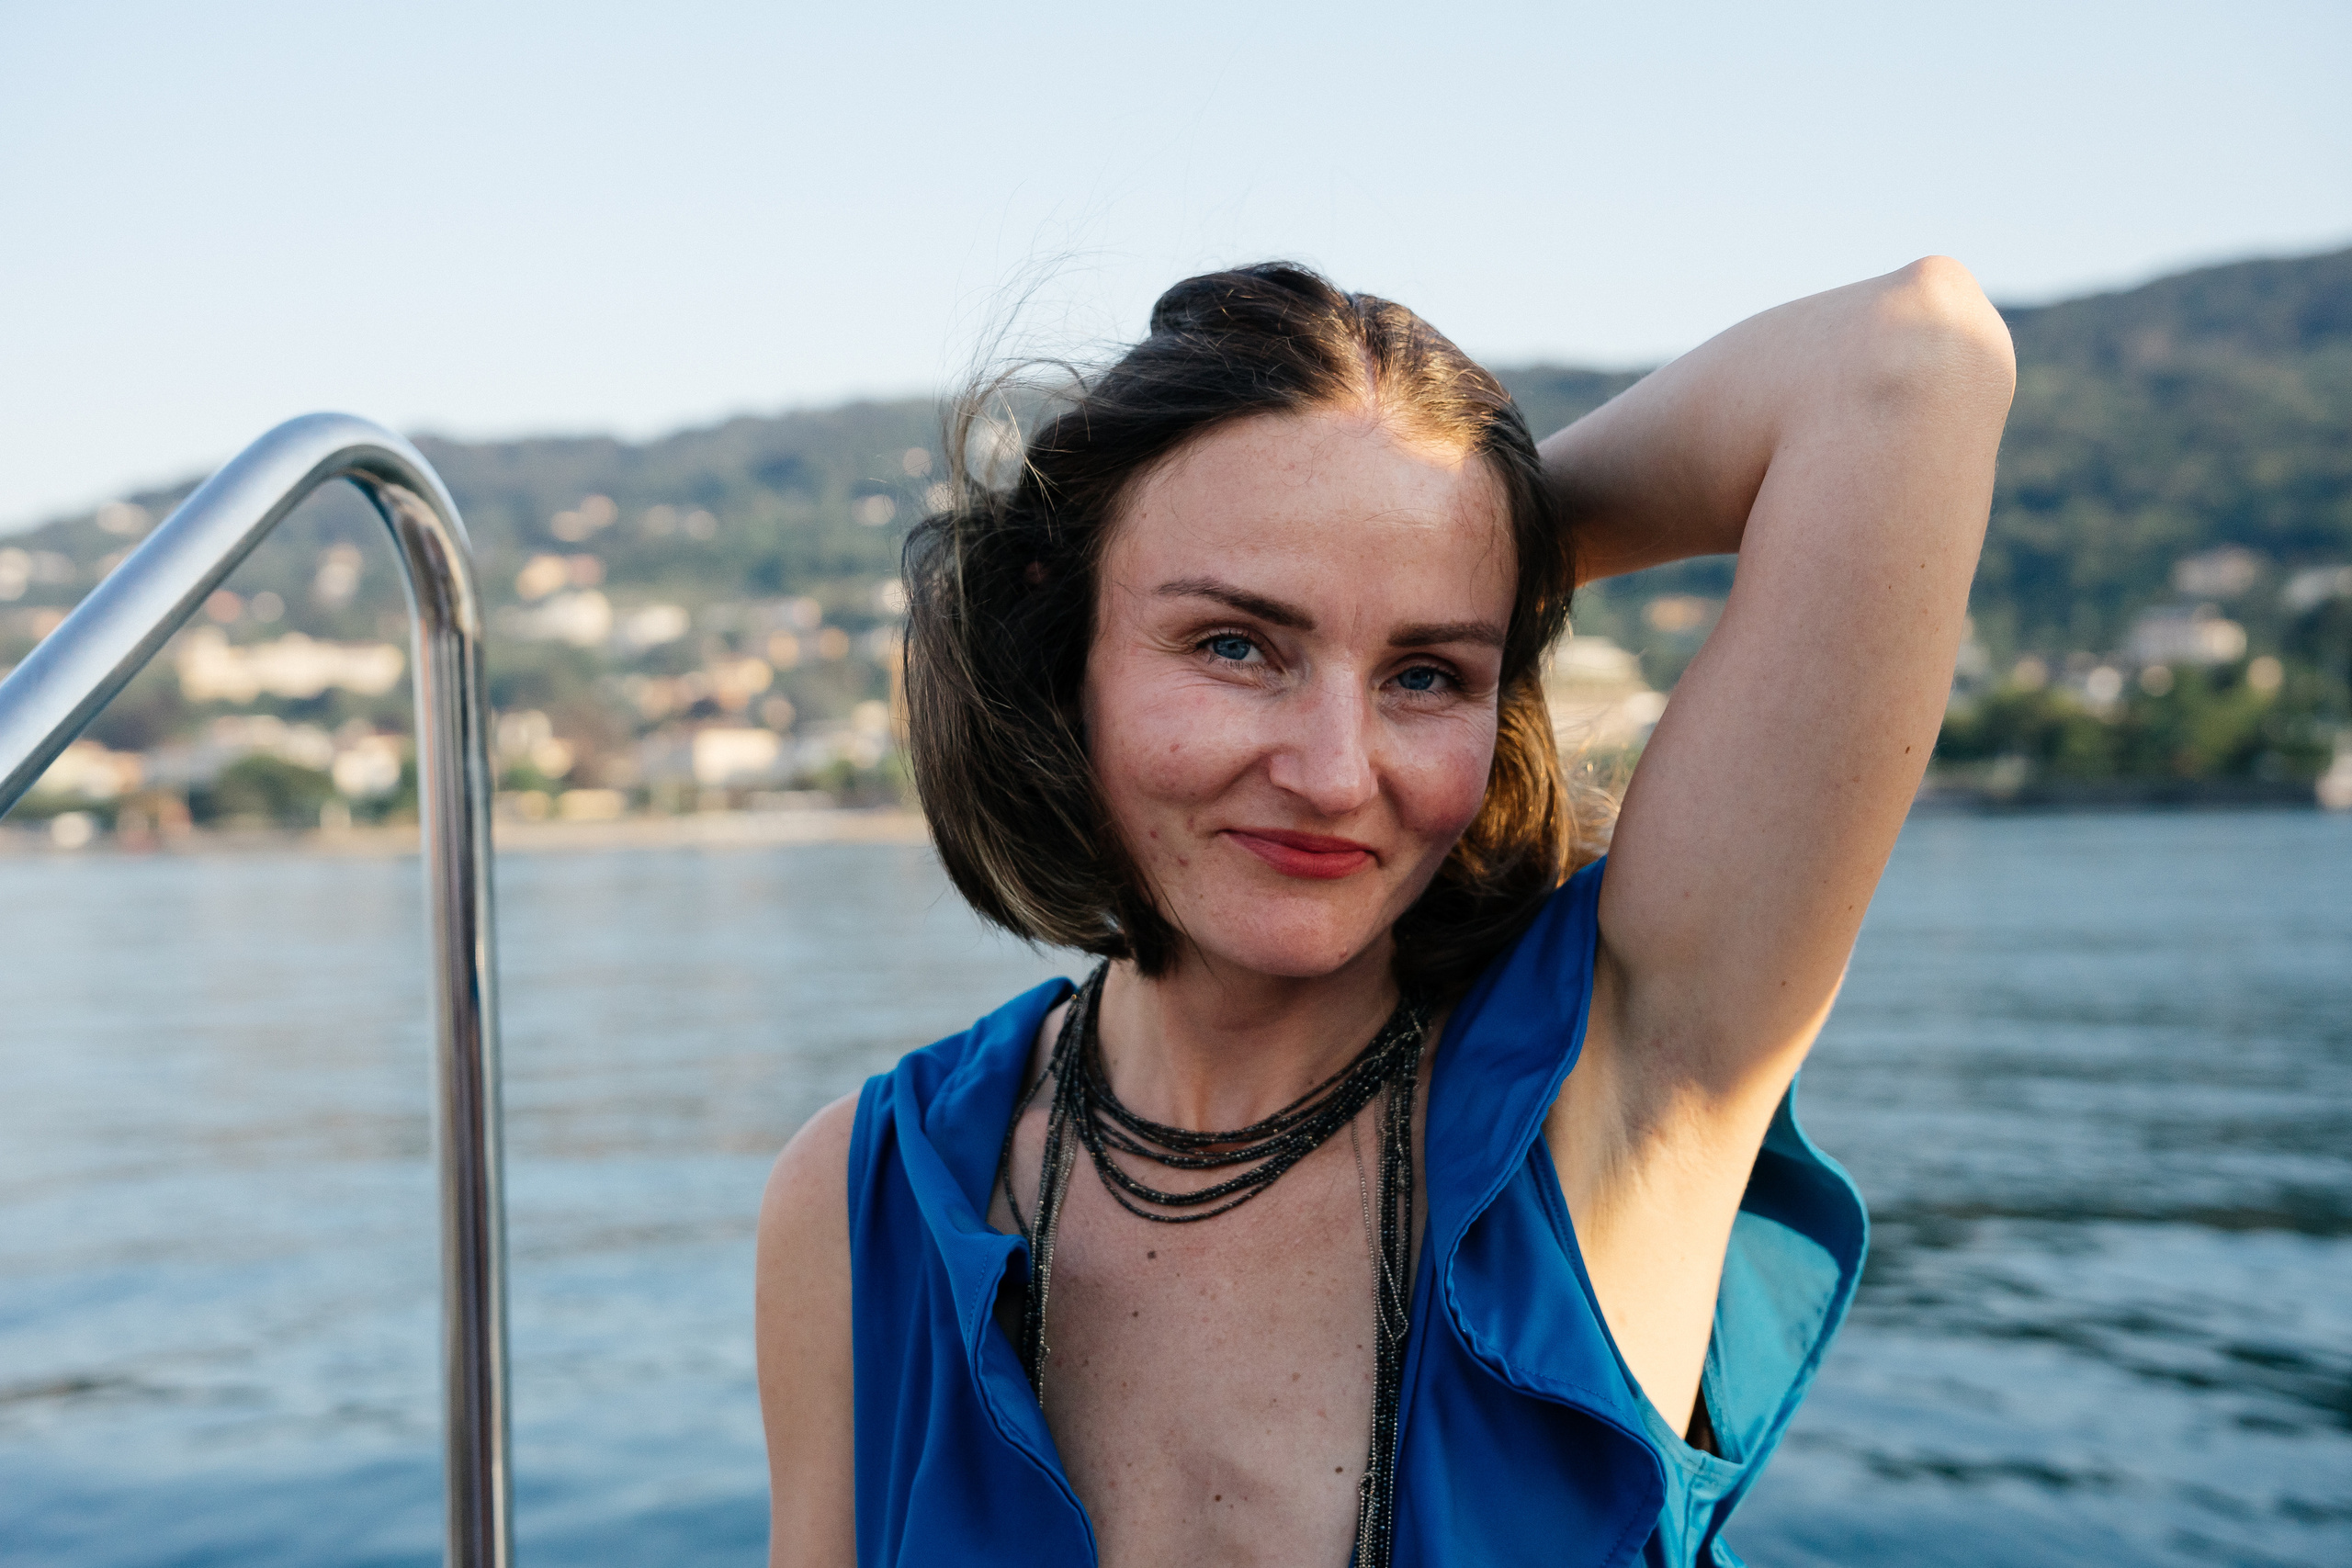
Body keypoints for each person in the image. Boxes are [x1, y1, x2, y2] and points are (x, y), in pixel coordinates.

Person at [756, 259, 2014, 1567]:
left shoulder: (1608, 1101)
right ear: (1055, 648)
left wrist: (1472, 524)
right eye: (1238, 645)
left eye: (1427, 671)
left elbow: (1914, 358)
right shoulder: (864, 1200)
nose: (1337, 772)